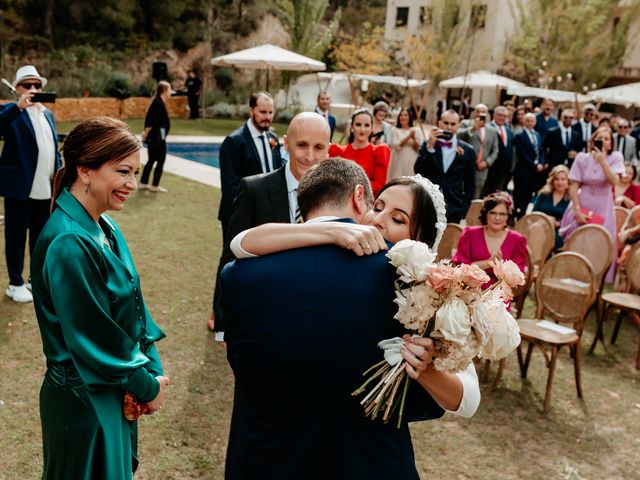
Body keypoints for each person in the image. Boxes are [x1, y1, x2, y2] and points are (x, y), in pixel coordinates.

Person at [221, 159, 478, 479]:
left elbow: (468, 397)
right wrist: (331, 230)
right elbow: (241, 242)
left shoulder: (423, 292)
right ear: (362, 200)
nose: (379, 221)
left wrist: (424, 370)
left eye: (398, 218)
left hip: (265, 463)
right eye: (379, 207)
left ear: (421, 241)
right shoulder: (382, 275)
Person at [30, 117, 169, 480]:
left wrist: (151, 367)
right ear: (85, 171)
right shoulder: (68, 242)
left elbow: (134, 310)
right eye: (123, 171)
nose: (132, 184)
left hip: (111, 392)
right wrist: (147, 386)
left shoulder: (105, 225)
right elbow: (94, 339)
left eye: (136, 172)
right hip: (82, 404)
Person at [209, 112, 331, 334]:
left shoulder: (337, 197)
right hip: (261, 317)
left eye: (319, 147)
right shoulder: (254, 190)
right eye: (302, 145)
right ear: (286, 144)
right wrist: (223, 323)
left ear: (329, 149)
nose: (310, 156)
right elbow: (230, 259)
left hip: (315, 321)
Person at [0, 65, 62, 303]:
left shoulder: (47, 114)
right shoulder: (10, 112)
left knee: (40, 239)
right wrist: (17, 107)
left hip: (45, 190)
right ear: (17, 89)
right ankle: (14, 283)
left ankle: (35, 280)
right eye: (28, 85)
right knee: (16, 238)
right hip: (19, 189)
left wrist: (59, 177)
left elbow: (54, 150)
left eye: (37, 85)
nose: (33, 89)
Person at [559, 127, 625, 282]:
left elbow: (615, 181)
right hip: (583, 202)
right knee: (579, 239)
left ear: (611, 143)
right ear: (592, 140)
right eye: (599, 137)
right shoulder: (582, 158)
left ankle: (595, 280)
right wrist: (577, 209)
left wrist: (602, 161)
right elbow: (574, 185)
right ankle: (573, 275)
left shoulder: (616, 157)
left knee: (600, 242)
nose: (603, 140)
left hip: (603, 204)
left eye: (606, 138)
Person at [217, 92, 283, 236]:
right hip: (241, 215)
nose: (267, 117)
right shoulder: (234, 142)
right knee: (233, 258)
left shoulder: (273, 139)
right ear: (251, 110)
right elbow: (229, 187)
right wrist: (241, 217)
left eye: (271, 112)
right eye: (263, 112)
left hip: (268, 216)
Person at [452, 191, 527, 292]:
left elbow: (517, 280)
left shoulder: (518, 240)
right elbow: (460, 269)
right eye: (493, 213)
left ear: (508, 216)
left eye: (502, 214)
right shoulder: (469, 234)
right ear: (486, 214)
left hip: (499, 294)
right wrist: (488, 263)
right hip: (468, 289)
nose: (497, 218)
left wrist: (501, 268)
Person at [414, 109, 476, 223]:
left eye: (453, 124)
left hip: (454, 207)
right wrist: (430, 147)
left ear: (458, 126)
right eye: (446, 123)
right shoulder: (428, 144)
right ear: (439, 123)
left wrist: (464, 208)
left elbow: (470, 184)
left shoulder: (468, 151)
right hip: (428, 205)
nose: (449, 127)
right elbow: (418, 170)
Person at [329, 108, 390, 196]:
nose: (362, 129)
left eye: (366, 125)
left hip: (366, 202)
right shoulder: (339, 151)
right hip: (341, 201)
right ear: (352, 127)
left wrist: (349, 185)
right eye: (358, 124)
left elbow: (379, 186)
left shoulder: (378, 151)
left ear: (371, 128)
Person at [458, 104, 500, 198]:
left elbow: (495, 149)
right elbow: (457, 135)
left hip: (481, 169)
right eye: (478, 111)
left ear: (487, 114)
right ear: (473, 113)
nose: (480, 114)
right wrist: (473, 128)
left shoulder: (492, 130)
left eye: (483, 112)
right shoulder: (466, 123)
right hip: (465, 167)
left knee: (476, 195)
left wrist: (487, 163)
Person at [139, 80, 172, 193]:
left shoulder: (158, 102)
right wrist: (145, 135)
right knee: (160, 160)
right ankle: (154, 185)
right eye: (170, 89)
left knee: (152, 159)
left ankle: (143, 183)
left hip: (158, 136)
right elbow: (150, 121)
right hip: (157, 137)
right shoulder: (158, 103)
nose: (171, 91)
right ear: (164, 90)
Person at [513, 113, 545, 218]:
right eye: (528, 121)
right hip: (523, 170)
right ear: (524, 122)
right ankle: (514, 214)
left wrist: (541, 162)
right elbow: (522, 154)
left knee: (529, 194)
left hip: (535, 172)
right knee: (519, 194)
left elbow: (540, 151)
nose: (530, 123)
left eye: (532, 121)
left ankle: (523, 215)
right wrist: (534, 164)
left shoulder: (537, 134)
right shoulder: (519, 135)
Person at [532, 165, 571, 249]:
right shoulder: (543, 194)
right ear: (552, 181)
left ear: (568, 181)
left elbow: (570, 223)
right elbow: (533, 214)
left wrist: (558, 224)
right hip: (539, 228)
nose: (559, 182)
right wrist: (545, 219)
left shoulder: (571, 200)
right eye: (556, 179)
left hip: (558, 233)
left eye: (563, 179)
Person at [386, 108, 423, 180]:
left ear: (410, 117)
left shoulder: (416, 130)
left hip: (412, 161)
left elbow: (419, 148)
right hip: (398, 161)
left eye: (405, 115)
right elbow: (395, 145)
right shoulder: (395, 130)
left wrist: (413, 139)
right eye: (401, 115)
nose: (403, 117)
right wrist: (409, 137)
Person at [486, 106, 514, 196]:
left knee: (496, 195)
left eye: (504, 116)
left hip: (503, 170)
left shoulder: (508, 131)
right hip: (489, 168)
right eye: (499, 115)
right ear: (494, 115)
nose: (502, 118)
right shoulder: (488, 128)